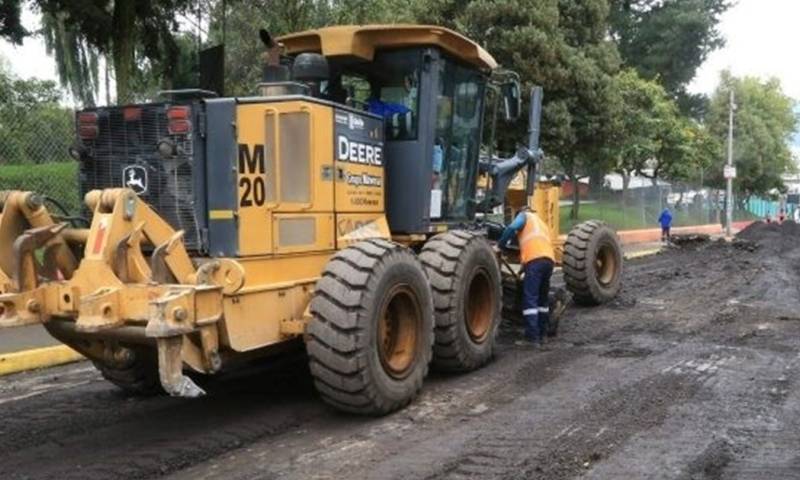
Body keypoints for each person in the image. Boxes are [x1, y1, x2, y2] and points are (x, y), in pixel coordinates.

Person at [497, 206, 555, 346]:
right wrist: (524, 268)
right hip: (548, 261)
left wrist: (500, 245)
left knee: (530, 299)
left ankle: (531, 338)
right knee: (542, 300)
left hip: (535, 262)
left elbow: (511, 228)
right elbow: (537, 246)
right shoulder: (541, 223)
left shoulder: (524, 216)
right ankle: (543, 335)